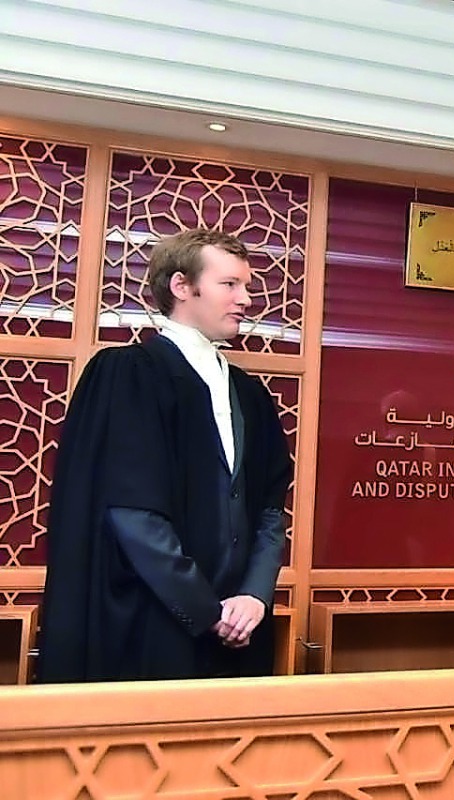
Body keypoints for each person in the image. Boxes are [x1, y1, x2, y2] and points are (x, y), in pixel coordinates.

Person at [38, 229, 293, 682]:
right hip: (151, 629)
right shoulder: (129, 375)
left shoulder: (250, 395)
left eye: (247, 286)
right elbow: (134, 516)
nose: (247, 300)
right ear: (181, 287)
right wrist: (205, 609)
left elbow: (271, 511)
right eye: (230, 285)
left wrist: (254, 596)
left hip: (241, 631)